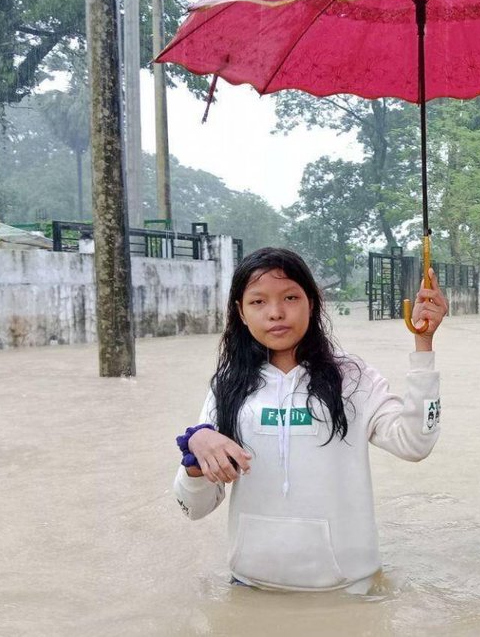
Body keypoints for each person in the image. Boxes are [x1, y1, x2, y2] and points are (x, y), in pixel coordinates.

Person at [172, 247, 448, 592]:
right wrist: (195, 455)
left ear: (312, 304)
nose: (276, 312)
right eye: (258, 302)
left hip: (347, 591)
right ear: (241, 312)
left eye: (290, 297)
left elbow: (416, 442)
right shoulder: (228, 387)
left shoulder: (353, 379)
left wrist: (423, 345)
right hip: (252, 588)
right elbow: (193, 509)